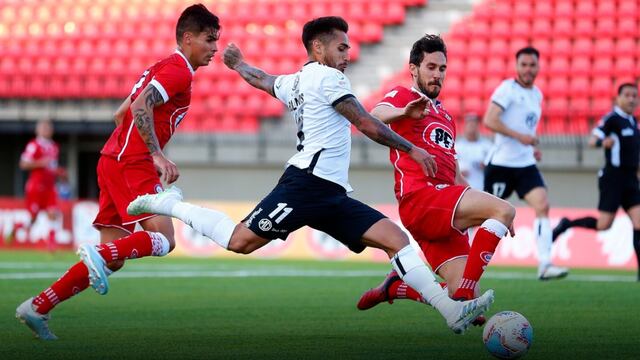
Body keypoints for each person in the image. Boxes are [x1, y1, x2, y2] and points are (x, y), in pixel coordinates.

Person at [127, 17, 494, 335]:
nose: (347, 56)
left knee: (396, 240)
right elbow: (364, 122)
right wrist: (412, 148)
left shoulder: (299, 80)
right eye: (341, 47)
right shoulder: (330, 80)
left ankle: (451, 311)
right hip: (304, 186)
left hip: (332, 193)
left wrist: (239, 64)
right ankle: (171, 205)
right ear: (318, 48)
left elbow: (263, 79)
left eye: (348, 49)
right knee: (240, 241)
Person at [15, 4, 221, 340]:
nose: (215, 48)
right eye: (209, 40)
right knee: (165, 240)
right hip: (132, 164)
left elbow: (120, 112)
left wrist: (134, 147)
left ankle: (38, 307)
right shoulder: (178, 71)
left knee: (113, 259)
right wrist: (155, 153)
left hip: (112, 160)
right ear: (187, 38)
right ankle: (95, 255)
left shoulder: (160, 66)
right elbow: (139, 107)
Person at [354, 35, 514, 325]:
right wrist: (404, 112)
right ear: (414, 69)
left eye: (442, 68)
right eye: (431, 66)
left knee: (463, 303)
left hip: (443, 205)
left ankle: (397, 287)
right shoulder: (403, 96)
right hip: (421, 198)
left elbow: (454, 173)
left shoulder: (447, 117)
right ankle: (465, 295)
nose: (437, 74)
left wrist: (490, 208)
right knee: (502, 214)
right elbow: (373, 115)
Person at [482, 47, 568, 280]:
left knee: (542, 205)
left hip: (525, 164)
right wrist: (520, 138)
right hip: (501, 163)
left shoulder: (537, 94)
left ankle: (545, 264)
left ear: (538, 67)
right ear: (517, 66)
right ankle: (462, 259)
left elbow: (526, 127)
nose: (528, 69)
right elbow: (490, 119)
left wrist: (530, 147)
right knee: (483, 215)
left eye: (532, 65)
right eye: (524, 65)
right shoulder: (507, 89)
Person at [553, 83, 640, 280]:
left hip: (631, 180)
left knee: (639, 222)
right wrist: (604, 142)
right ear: (618, 98)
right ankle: (567, 224)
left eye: (635, 95)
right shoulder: (612, 119)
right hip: (613, 178)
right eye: (627, 95)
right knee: (604, 225)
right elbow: (593, 140)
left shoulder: (633, 122)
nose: (632, 99)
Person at [18, 119, 64, 249]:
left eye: (48, 128)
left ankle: (52, 244)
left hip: (50, 186)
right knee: (33, 218)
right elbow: (23, 164)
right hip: (36, 186)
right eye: (44, 127)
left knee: (53, 212)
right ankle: (17, 229)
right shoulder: (34, 145)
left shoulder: (54, 146)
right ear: (37, 130)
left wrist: (59, 172)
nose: (47, 130)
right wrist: (40, 163)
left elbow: (51, 167)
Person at [455, 113, 492, 190]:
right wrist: (459, 172)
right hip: (462, 188)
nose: (472, 127)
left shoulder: (487, 146)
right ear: (465, 126)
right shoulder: (457, 146)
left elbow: (494, 166)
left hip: (482, 187)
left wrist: (486, 166)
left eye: (475, 124)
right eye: (470, 124)